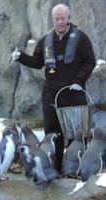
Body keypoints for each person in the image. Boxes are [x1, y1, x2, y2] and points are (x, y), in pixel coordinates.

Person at [11, 3, 95, 173]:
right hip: (51, 94)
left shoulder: (81, 38)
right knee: (52, 134)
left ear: (68, 18)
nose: (60, 22)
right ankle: (55, 168)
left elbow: (90, 62)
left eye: (62, 18)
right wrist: (21, 57)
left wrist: (79, 81)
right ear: (53, 20)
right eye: (56, 19)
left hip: (73, 92)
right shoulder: (46, 40)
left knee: (76, 134)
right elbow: (37, 62)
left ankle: (74, 170)